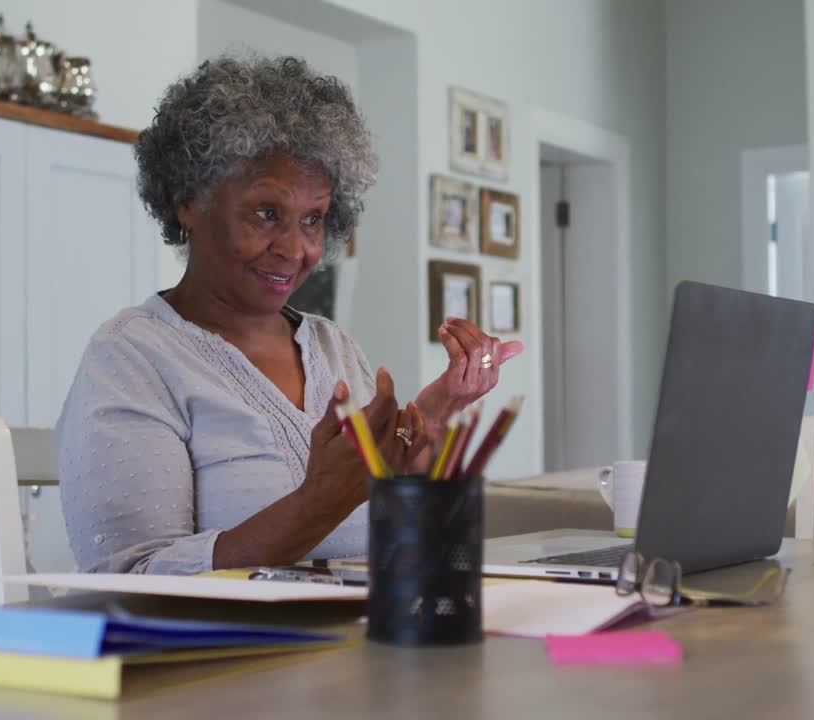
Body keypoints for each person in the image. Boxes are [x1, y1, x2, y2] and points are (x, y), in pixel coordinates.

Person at [56, 56, 523, 575]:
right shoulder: (132, 357)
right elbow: (130, 584)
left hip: (362, 641)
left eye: (313, 220)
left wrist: (433, 416)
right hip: (231, 654)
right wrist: (319, 502)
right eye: (266, 213)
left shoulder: (331, 346)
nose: (295, 249)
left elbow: (384, 539)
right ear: (188, 202)